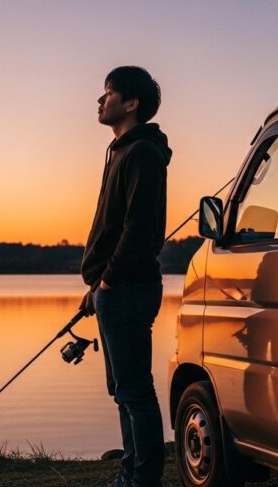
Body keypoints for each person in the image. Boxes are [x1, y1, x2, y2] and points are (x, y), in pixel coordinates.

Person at [79, 66, 171, 487]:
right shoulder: (120, 151)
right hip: (113, 289)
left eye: (108, 93)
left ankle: (142, 479)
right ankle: (130, 474)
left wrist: (110, 280)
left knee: (135, 391)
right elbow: (110, 227)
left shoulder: (142, 154)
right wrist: (96, 286)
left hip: (129, 289)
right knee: (122, 390)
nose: (101, 101)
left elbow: (138, 228)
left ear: (131, 103)